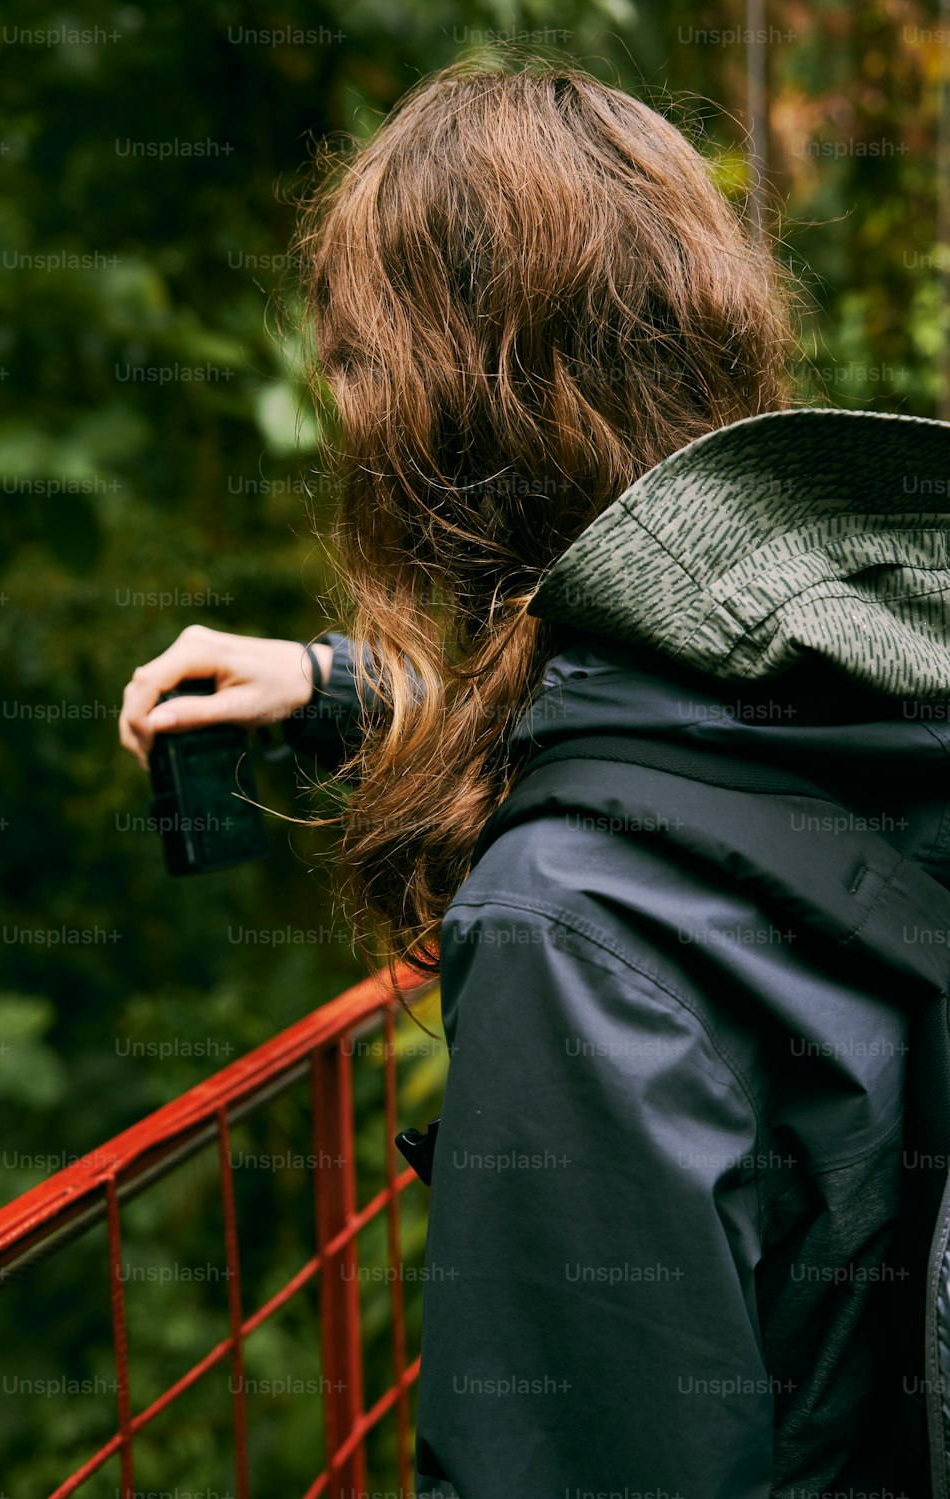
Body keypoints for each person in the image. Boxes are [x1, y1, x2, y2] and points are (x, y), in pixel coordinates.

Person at [119, 58, 949, 1498]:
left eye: (356, 358)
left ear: (447, 412)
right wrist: (341, 688)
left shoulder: (569, 925)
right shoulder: (876, 642)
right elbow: (720, 768)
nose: (336, 402)